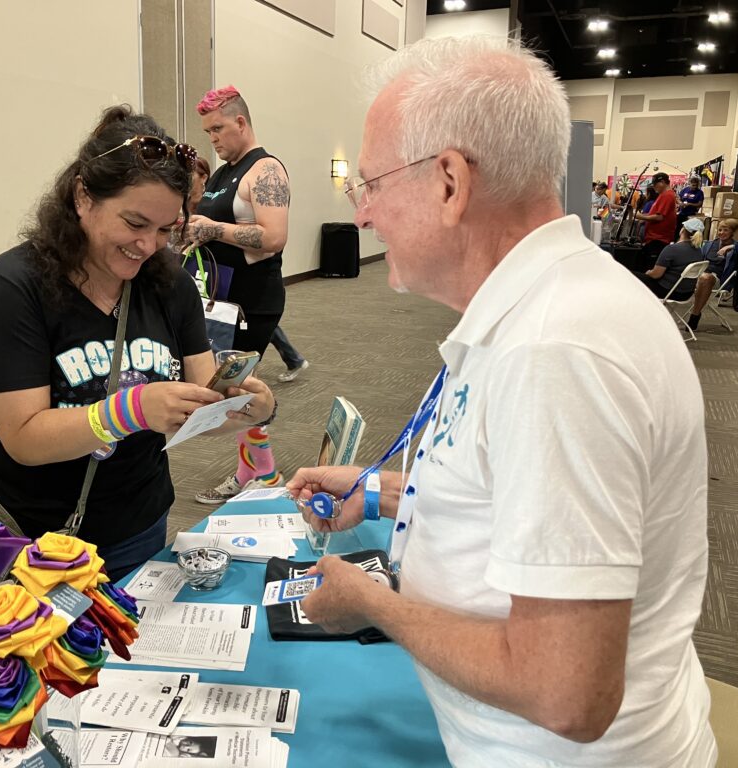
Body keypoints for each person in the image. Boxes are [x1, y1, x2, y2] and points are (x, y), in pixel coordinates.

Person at [287, 36, 715, 766]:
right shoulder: (543, 307)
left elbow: (566, 693)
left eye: (372, 186)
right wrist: (385, 492)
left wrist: (370, 601)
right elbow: (513, 492)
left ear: (449, 182)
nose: (363, 216)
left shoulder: (555, 352)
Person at [0, 106, 276, 580]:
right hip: (31, 543)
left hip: (137, 524)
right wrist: (131, 410)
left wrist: (244, 406)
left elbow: (197, 402)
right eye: (134, 223)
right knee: (42, 655)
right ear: (83, 196)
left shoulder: (170, 285)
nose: (148, 245)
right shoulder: (11, 289)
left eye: (166, 230)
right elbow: (23, 438)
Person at [188, 86, 291, 504]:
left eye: (217, 129)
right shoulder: (222, 172)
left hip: (253, 301)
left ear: (241, 122)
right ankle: (253, 468)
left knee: (239, 386)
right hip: (221, 298)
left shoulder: (265, 171)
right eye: (207, 131)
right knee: (233, 386)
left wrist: (212, 229)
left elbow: (274, 237)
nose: (212, 139)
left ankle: (262, 472)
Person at [687, 217, 738, 328]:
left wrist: (732, 246)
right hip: (700, 275)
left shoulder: (737, 247)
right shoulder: (709, 244)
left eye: (725, 230)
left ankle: (694, 315)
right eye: (720, 230)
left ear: (732, 232)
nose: (721, 233)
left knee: (705, 278)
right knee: (700, 276)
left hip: (719, 280)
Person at [635, 217, 705, 299]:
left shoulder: (672, 249)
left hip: (667, 291)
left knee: (631, 275)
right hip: (686, 294)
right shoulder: (699, 251)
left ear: (682, 230)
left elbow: (656, 275)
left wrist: (648, 273)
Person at [634, 172, 677, 261]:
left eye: (655, 184)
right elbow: (656, 214)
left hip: (658, 240)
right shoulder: (663, 195)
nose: (654, 187)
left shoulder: (667, 195)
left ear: (662, 182)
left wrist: (640, 217)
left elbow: (659, 217)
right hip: (655, 239)